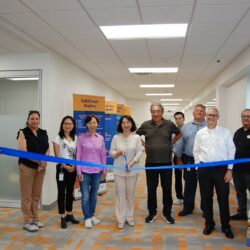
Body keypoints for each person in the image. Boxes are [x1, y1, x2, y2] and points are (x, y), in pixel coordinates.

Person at [193, 108, 235, 239]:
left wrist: (229, 170)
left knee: (223, 198)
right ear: (206, 116)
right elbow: (196, 151)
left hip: (221, 170)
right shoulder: (200, 133)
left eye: (214, 115)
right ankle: (209, 223)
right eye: (209, 115)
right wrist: (198, 167)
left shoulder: (225, 132)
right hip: (204, 169)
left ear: (218, 117)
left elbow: (231, 151)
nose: (211, 117)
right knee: (206, 198)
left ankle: (225, 225)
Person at [136, 104, 182, 224]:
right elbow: (136, 135)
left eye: (157, 111)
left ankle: (167, 213)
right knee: (151, 189)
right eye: (153, 111)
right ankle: (152, 213)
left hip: (166, 163)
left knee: (167, 189)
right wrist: (144, 145)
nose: (155, 114)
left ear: (162, 112)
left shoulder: (169, 124)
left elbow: (179, 133)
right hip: (150, 163)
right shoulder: (146, 124)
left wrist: (171, 142)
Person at [17, 111, 49, 232]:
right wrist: (39, 162)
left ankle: (35, 218)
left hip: (41, 168)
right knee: (27, 196)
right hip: (27, 167)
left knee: (36, 195)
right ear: (28, 120)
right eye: (32, 118)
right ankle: (28, 221)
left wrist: (44, 163)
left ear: (39, 120)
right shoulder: (23, 132)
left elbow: (47, 149)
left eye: (37, 118)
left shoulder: (43, 132)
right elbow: (23, 152)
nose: (34, 121)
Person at [110, 116, 143, 229]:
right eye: (123, 122)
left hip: (132, 170)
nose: (125, 124)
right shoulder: (116, 137)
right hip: (119, 170)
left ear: (131, 124)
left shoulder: (137, 137)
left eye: (128, 122)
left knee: (130, 194)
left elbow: (139, 153)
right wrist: (118, 152)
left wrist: (132, 163)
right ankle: (121, 219)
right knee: (120, 195)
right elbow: (111, 153)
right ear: (120, 125)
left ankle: (129, 217)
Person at [175, 104, 207, 216]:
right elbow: (180, 143)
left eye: (202, 111)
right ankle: (188, 208)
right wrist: (179, 158)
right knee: (189, 185)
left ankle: (206, 209)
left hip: (205, 161)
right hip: (189, 159)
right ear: (193, 113)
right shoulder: (186, 127)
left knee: (205, 185)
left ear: (205, 113)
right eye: (197, 111)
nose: (199, 112)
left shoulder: (209, 126)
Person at [76, 115, 106, 229]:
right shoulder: (81, 138)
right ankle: (87, 218)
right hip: (84, 171)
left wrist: (104, 169)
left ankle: (92, 215)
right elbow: (78, 155)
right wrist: (79, 172)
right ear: (86, 124)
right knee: (85, 196)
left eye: (94, 122)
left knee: (94, 195)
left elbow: (103, 154)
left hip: (97, 171)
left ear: (97, 124)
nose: (92, 125)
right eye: (90, 123)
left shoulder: (101, 138)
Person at [53, 116, 80, 229]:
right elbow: (56, 156)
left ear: (73, 125)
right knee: (61, 193)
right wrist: (65, 166)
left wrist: (74, 166)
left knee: (70, 192)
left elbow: (77, 154)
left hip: (72, 169)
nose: (67, 125)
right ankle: (62, 216)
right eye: (65, 123)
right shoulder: (58, 138)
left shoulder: (76, 138)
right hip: (62, 169)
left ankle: (69, 213)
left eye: (70, 124)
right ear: (62, 125)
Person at [230, 108, 250, 221]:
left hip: (249, 171)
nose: (246, 118)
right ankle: (242, 212)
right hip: (238, 170)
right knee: (240, 192)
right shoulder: (238, 132)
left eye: (248, 116)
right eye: (244, 116)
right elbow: (233, 149)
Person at [172, 112, 185, 205]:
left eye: (180, 118)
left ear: (183, 119)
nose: (178, 120)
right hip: (176, 157)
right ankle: (179, 197)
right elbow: (172, 143)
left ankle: (187, 198)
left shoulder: (187, 129)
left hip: (187, 157)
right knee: (178, 178)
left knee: (188, 178)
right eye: (176, 118)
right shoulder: (173, 131)